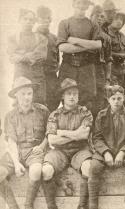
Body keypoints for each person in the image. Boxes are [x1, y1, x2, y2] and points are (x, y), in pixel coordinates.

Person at [41, 78, 93, 209]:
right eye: (69, 93)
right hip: (59, 152)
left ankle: (82, 206)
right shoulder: (55, 115)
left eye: (75, 93)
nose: (72, 97)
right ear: (62, 96)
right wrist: (75, 134)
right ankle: (51, 206)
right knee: (46, 171)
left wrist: (60, 132)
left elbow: (84, 135)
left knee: (88, 168)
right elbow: (52, 140)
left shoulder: (85, 112)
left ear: (78, 96)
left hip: (80, 150)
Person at [89, 85, 125, 209]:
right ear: (108, 100)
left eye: (119, 98)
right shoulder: (101, 115)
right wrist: (106, 152)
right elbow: (97, 137)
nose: (116, 102)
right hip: (105, 150)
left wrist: (122, 152)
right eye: (113, 99)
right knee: (94, 167)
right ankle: (93, 205)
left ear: (124, 98)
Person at [2, 77, 49, 209]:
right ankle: (13, 206)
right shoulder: (10, 116)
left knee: (36, 171)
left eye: (29, 93)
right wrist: (16, 163)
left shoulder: (43, 111)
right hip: (16, 151)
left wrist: (42, 146)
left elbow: (49, 133)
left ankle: (28, 205)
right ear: (16, 95)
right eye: (23, 94)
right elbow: (11, 142)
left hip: (35, 151)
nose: (27, 97)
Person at [57, 0, 102, 112]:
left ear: (88, 6)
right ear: (73, 4)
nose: (82, 6)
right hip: (69, 66)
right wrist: (88, 45)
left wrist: (74, 40)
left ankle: (86, 127)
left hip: (87, 68)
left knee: (88, 99)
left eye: (85, 3)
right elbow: (62, 47)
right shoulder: (65, 23)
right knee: (67, 96)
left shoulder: (93, 24)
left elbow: (98, 45)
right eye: (79, 2)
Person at [7, 9, 48, 105]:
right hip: (20, 75)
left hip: (37, 77)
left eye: (31, 20)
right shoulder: (12, 38)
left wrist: (21, 56)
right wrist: (29, 55)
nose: (28, 22)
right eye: (25, 19)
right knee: (19, 105)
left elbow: (41, 55)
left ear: (34, 22)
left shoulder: (41, 38)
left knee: (39, 104)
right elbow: (12, 56)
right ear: (19, 20)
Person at [36, 6, 60, 111]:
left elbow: (57, 59)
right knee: (38, 104)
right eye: (42, 18)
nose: (45, 21)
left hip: (51, 77)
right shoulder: (33, 36)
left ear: (50, 20)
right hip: (37, 76)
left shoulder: (54, 38)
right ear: (37, 20)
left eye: (47, 18)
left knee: (53, 103)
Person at [90, 4, 112, 116]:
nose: (99, 19)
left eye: (102, 17)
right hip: (86, 69)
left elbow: (108, 60)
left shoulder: (106, 38)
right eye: (97, 15)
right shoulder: (85, 34)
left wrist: (108, 78)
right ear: (91, 16)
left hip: (100, 71)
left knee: (100, 99)